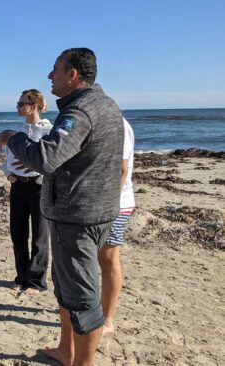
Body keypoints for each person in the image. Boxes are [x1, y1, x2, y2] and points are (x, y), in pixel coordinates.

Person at [6, 48, 124, 366]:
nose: (49, 76)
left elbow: (46, 158)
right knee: (68, 287)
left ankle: (81, 362)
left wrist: (11, 139)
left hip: (78, 217)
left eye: (55, 70)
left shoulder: (81, 111)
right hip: (96, 211)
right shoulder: (107, 105)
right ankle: (66, 350)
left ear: (73, 75)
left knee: (82, 297)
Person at [0, 89, 53, 295]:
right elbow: (7, 160)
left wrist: (38, 176)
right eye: (18, 104)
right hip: (18, 186)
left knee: (40, 235)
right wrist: (9, 175)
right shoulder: (18, 132)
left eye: (21, 104)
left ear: (35, 106)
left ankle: (37, 281)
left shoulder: (48, 131)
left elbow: (52, 161)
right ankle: (21, 277)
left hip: (39, 187)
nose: (18, 107)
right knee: (18, 233)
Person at [99, 118, 136, 335]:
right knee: (96, 258)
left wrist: (110, 206)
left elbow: (122, 170)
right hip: (99, 205)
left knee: (109, 258)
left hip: (116, 204)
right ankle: (99, 311)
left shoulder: (116, 123)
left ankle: (107, 320)